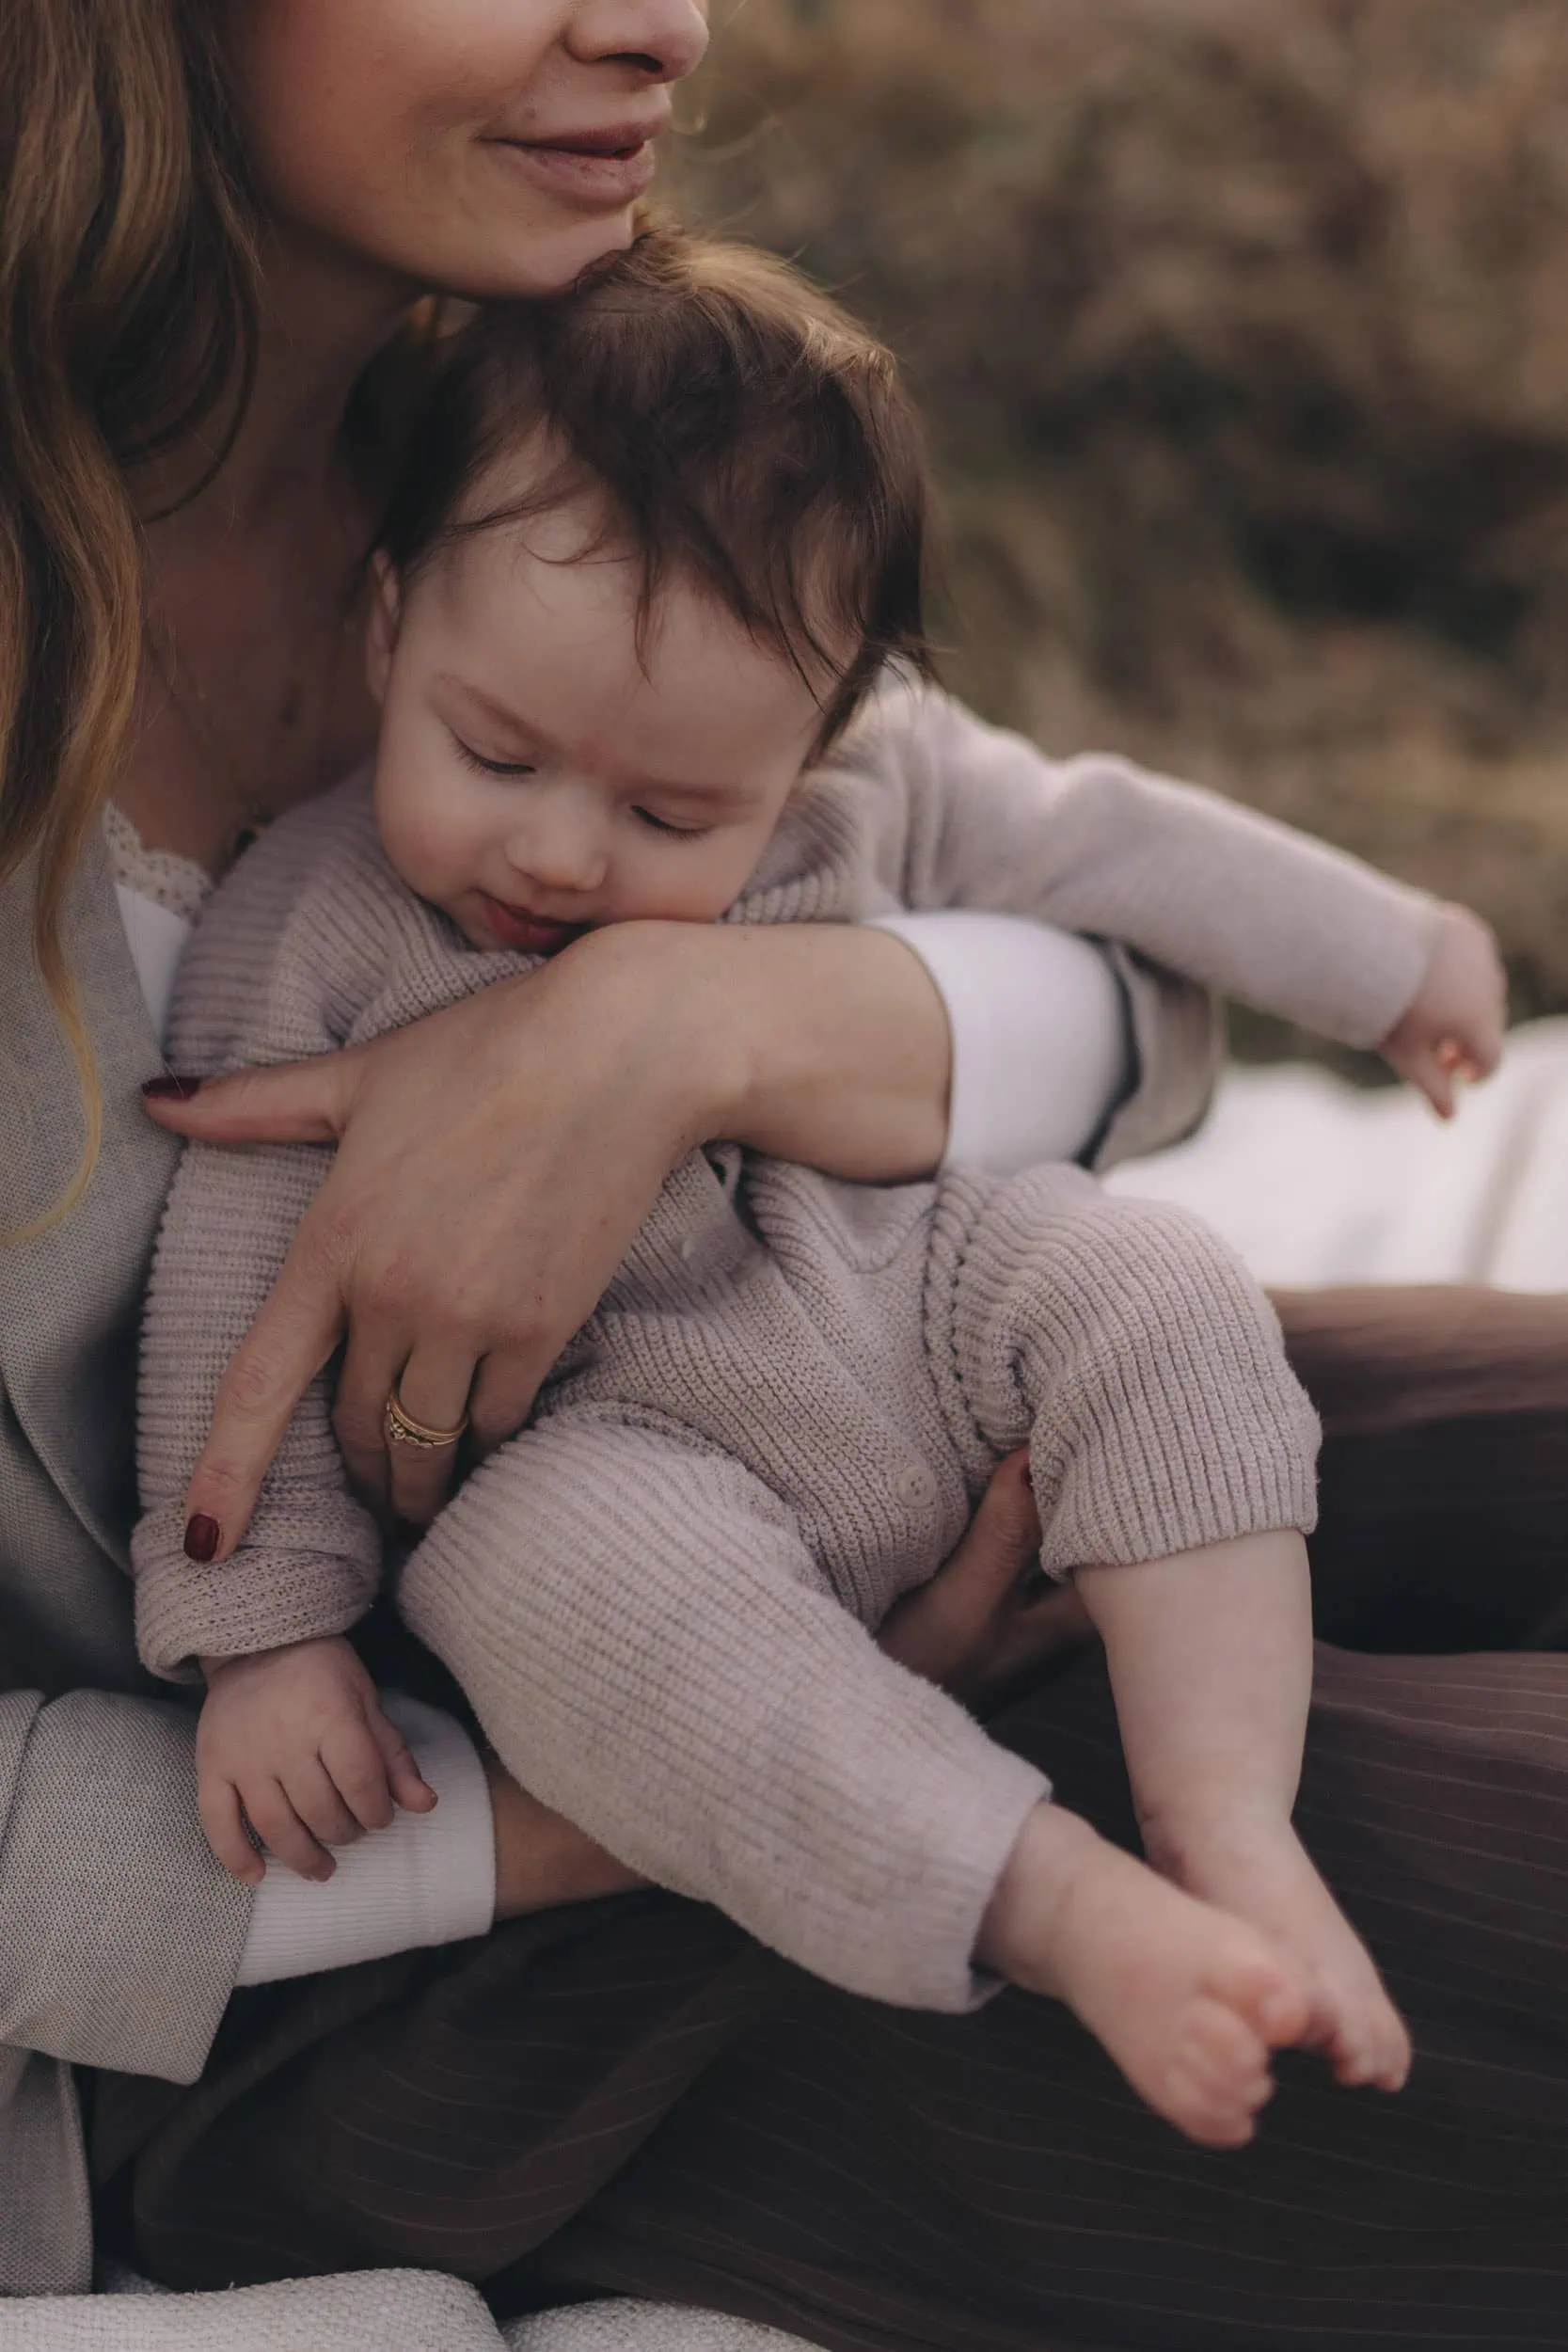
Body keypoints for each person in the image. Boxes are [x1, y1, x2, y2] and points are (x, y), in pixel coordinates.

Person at [4, 5, 1568, 2346]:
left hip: (868, 1399)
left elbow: (1117, 986)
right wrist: (556, 1797)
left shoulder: (534, 436)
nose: (665, 17)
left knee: (1416, 1406)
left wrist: (678, 1030)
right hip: (358, 1946)